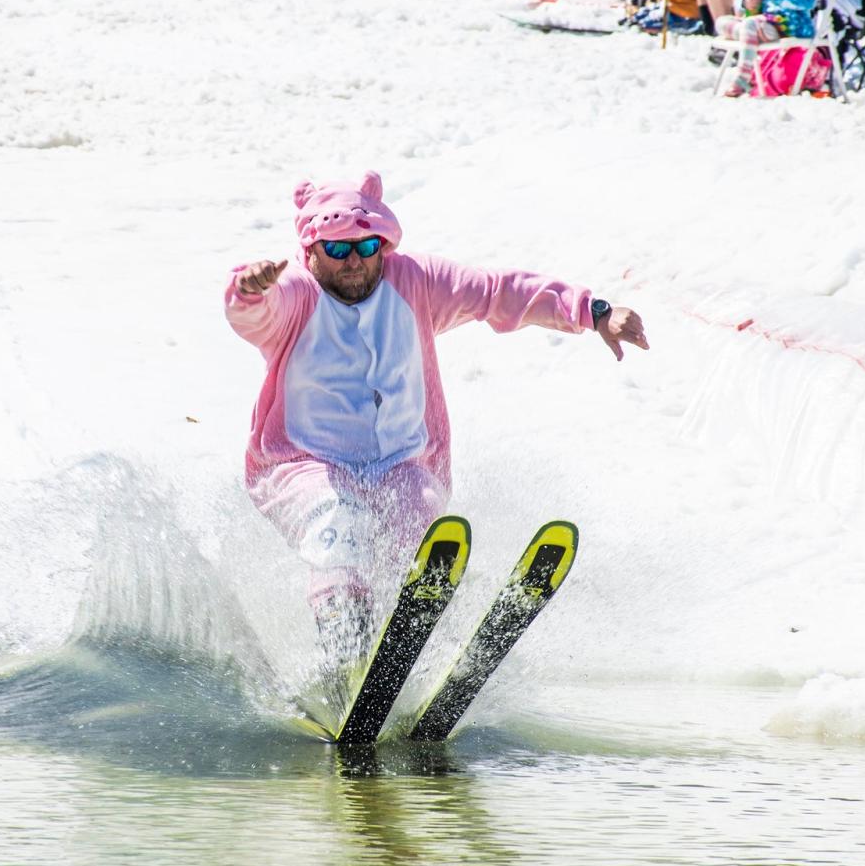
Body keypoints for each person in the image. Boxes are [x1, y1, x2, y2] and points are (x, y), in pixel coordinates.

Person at [226, 173, 648, 666]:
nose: (355, 260)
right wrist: (249, 291)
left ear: (384, 243)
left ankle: (416, 648)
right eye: (337, 250)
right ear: (311, 250)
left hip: (401, 462)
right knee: (338, 525)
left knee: (424, 522)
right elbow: (254, 312)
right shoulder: (295, 294)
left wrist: (593, 311)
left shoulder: (416, 281)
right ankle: (345, 649)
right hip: (303, 465)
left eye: (367, 246)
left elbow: (498, 292)